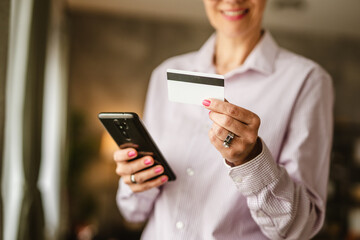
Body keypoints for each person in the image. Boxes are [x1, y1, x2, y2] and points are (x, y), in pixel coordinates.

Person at [113, 0, 334, 239]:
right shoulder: (164, 75)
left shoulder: (307, 81)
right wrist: (137, 179)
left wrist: (251, 160)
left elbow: (299, 229)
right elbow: (133, 213)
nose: (232, 1)